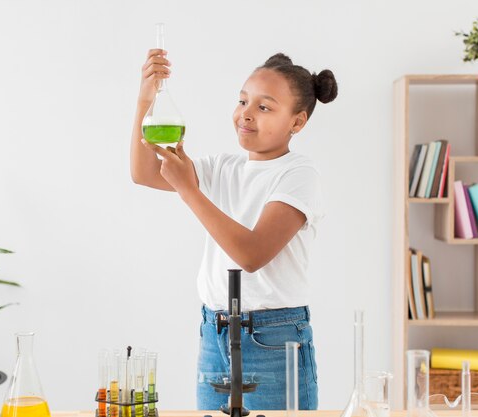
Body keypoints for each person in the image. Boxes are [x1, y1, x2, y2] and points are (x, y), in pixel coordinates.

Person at [130, 48, 338, 411]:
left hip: (273, 339)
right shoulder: (222, 168)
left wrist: (189, 190)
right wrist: (147, 96)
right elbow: (144, 172)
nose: (246, 113)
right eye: (243, 100)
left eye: (264, 107)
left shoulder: (299, 175)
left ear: (297, 122)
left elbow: (252, 254)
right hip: (215, 332)